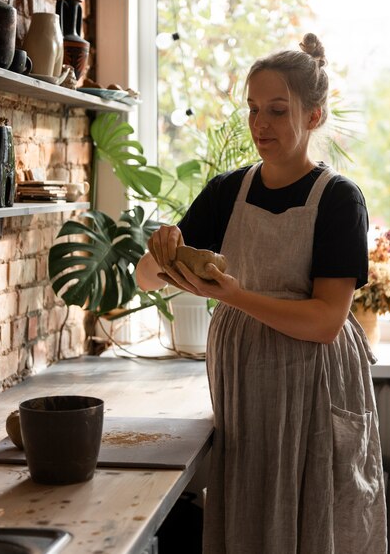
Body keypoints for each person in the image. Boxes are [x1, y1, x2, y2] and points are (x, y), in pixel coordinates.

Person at [136, 33, 387, 553]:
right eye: (253, 109)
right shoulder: (228, 190)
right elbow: (145, 277)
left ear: (314, 116)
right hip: (243, 385)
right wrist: (164, 249)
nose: (259, 125)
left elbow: (324, 322)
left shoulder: (339, 199)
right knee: (252, 514)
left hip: (317, 387)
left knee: (317, 516)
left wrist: (231, 296)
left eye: (277, 110)